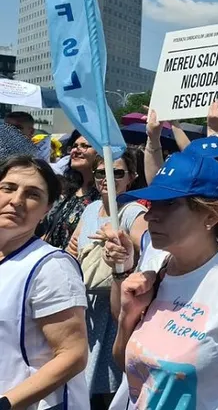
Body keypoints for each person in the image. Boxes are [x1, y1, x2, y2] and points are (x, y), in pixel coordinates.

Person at [111, 152, 218, 409]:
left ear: (211, 215)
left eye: (168, 204)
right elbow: (127, 366)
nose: (150, 216)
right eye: (152, 204)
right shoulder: (156, 270)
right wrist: (128, 316)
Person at [0, 155, 90, 409]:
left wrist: (7, 403)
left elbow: (73, 355)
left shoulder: (51, 267)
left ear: (47, 208)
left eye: (32, 194)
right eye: (8, 188)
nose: (16, 201)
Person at [69, 151, 148, 408]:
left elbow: (151, 245)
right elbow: (73, 250)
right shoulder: (91, 209)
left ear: (131, 178)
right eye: (101, 172)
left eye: (117, 173)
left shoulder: (132, 211)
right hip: (87, 311)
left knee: (109, 394)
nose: (108, 179)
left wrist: (125, 253)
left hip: (112, 312)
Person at [39, 134, 100, 249]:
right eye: (74, 146)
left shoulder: (104, 196)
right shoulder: (70, 190)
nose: (76, 150)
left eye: (84, 146)